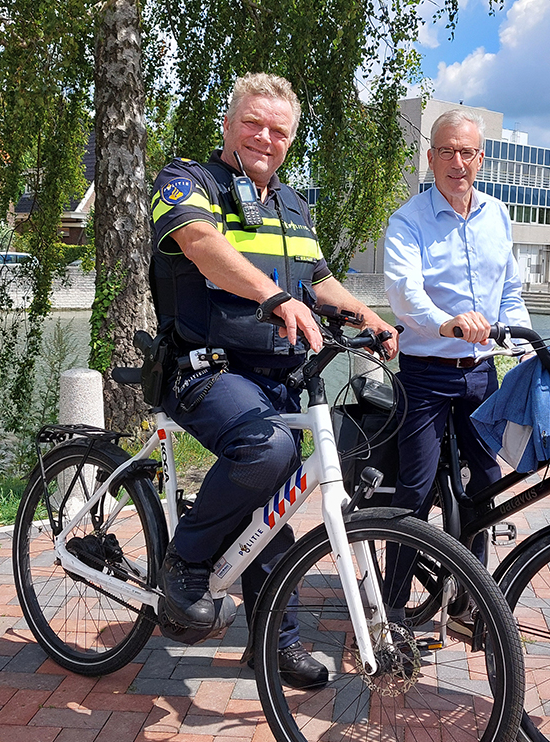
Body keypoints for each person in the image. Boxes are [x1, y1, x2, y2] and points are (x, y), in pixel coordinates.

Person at [148, 73, 396, 690]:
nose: (265, 137)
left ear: (291, 141)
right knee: (269, 449)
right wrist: (275, 296)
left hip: (277, 376)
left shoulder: (293, 206)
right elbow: (203, 248)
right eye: (253, 123)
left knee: (275, 499)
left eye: (279, 130)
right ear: (228, 125)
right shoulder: (186, 181)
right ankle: (186, 560)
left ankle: (271, 640)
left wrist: (367, 316)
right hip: (204, 369)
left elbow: (318, 278)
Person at [381, 108, 531, 620]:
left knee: (488, 483)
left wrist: (525, 345)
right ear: (431, 157)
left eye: (467, 152)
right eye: (446, 151)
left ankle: (472, 597)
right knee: (415, 492)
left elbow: (509, 291)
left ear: (481, 158)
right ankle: (392, 610)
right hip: (425, 374)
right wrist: (445, 323)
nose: (457, 162)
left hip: (481, 374)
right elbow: (403, 292)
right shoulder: (408, 221)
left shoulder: (497, 214)